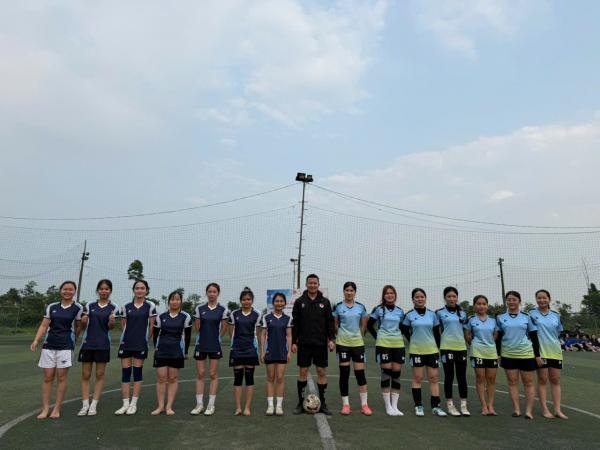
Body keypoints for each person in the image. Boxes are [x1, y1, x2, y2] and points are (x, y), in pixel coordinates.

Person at [30, 281, 83, 419]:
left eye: (71, 290)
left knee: (61, 377)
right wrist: (36, 340)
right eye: (65, 289)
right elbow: (44, 325)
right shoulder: (52, 307)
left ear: (74, 292)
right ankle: (45, 409)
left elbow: (78, 327)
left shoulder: (78, 307)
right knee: (48, 377)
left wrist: (73, 340)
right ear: (60, 290)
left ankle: (57, 408)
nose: (67, 292)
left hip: (65, 347)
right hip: (49, 346)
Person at [291, 274, 336, 415]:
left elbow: (330, 323)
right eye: (310, 283)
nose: (312, 285)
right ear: (306, 284)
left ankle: (323, 403)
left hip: (320, 344)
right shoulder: (299, 302)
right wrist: (293, 342)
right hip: (304, 344)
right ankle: (300, 403)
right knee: (303, 372)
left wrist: (331, 339)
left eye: (315, 283)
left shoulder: (325, 302)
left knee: (321, 372)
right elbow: (295, 324)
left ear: (318, 284)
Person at [401, 288, 446, 417]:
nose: (420, 299)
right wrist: (412, 340)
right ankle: (418, 406)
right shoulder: (409, 315)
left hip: (432, 351)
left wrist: (438, 349)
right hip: (417, 351)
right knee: (417, 378)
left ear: (425, 298)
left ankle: (436, 407)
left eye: (422, 297)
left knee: (434, 378)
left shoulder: (432, 314)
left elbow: (437, 333)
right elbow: (404, 329)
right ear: (413, 299)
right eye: (417, 297)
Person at [77, 279, 119, 416]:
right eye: (101, 289)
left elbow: (110, 328)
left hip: (103, 344)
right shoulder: (89, 305)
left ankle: (93, 405)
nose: (104, 291)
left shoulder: (114, 307)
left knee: (100, 374)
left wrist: (112, 322)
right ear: (97, 290)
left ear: (110, 291)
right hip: (88, 343)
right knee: (85, 374)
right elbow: (83, 326)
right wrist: (83, 321)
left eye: (106, 289)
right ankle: (85, 405)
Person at [115, 280, 157, 415]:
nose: (139, 290)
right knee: (126, 373)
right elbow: (123, 325)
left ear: (146, 290)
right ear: (134, 290)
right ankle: (125, 404)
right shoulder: (126, 306)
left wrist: (145, 340)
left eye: (142, 288)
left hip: (140, 344)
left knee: (137, 372)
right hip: (126, 343)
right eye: (137, 288)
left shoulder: (150, 306)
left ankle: (133, 404)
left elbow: (152, 326)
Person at [496, 290, 540, 420]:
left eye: (514, 299)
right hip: (508, 354)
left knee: (529, 383)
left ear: (519, 301)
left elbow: (534, 337)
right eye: (509, 300)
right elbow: (498, 338)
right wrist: (498, 354)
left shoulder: (527, 317)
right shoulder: (500, 317)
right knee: (512, 382)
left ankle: (529, 411)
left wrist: (537, 355)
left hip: (526, 354)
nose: (511, 302)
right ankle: (516, 409)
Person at [333, 281, 371, 415]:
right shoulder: (338, 306)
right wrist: (339, 335)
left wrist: (359, 335)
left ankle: (364, 405)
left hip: (357, 344)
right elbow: (335, 323)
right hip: (343, 343)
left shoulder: (360, 307)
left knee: (360, 374)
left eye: (351, 290)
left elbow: (364, 323)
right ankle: (346, 405)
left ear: (355, 292)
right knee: (344, 374)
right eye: (347, 290)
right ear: (344, 291)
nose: (349, 292)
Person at [151, 290, 192, 416]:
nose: (175, 302)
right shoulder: (161, 316)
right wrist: (156, 348)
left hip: (176, 351)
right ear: (169, 301)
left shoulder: (186, 317)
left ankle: (169, 406)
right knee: (161, 378)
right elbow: (155, 335)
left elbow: (188, 337)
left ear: (181, 301)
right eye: (173, 299)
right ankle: (160, 406)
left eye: (177, 299)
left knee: (173, 378)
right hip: (162, 351)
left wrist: (185, 352)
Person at [367, 285, 405, 416]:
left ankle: (395, 406)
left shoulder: (400, 311)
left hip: (398, 344)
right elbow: (369, 325)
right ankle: (388, 406)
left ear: (395, 295)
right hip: (383, 344)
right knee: (386, 374)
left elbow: (402, 327)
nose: (390, 295)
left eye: (392, 293)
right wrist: (377, 337)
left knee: (396, 374)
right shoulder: (378, 309)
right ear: (384, 295)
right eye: (387, 293)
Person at [190, 282, 228, 416]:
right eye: (209, 292)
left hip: (215, 345)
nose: (212, 294)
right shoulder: (200, 308)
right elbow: (197, 326)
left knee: (212, 374)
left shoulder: (222, 309)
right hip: (201, 344)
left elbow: (224, 327)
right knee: (200, 374)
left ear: (218, 293)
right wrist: (204, 337)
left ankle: (211, 405)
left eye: (214, 292)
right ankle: (199, 404)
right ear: (206, 293)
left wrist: (217, 338)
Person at [530, 289, 568, 419]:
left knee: (555, 380)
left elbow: (558, 332)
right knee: (542, 380)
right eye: (539, 298)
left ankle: (558, 410)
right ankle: (545, 409)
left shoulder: (556, 315)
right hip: (541, 352)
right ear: (536, 299)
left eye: (544, 297)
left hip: (555, 352)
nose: (542, 300)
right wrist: (536, 353)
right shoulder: (531, 313)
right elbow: (531, 333)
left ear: (549, 299)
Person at [436, 286, 469, 416]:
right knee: (449, 377)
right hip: (446, 348)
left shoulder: (463, 313)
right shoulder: (439, 313)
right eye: (449, 296)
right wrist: (438, 346)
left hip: (461, 348)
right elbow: (436, 331)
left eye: (454, 296)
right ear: (445, 298)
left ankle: (463, 406)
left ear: (457, 297)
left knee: (462, 377)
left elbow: (466, 330)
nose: (451, 299)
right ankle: (450, 405)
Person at [229, 287, 261, 416]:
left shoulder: (257, 314)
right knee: (237, 379)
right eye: (244, 299)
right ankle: (238, 407)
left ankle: (247, 407)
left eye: (248, 299)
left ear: (252, 300)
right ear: (240, 301)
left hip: (250, 349)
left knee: (249, 379)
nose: (246, 301)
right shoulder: (234, 314)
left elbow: (257, 333)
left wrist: (254, 345)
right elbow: (231, 331)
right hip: (237, 349)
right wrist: (235, 344)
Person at [464, 294, 499, 416]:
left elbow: (496, 335)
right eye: (478, 304)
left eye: (484, 304)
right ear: (474, 306)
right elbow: (467, 335)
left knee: (491, 379)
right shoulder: (471, 320)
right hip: (477, 352)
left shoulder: (493, 320)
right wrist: (474, 343)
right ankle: (484, 406)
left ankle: (491, 406)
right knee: (480, 378)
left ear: (487, 306)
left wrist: (489, 343)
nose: (481, 306)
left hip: (491, 352)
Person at [260, 292, 293, 416]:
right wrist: (262, 351)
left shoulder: (288, 318)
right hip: (270, 351)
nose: (279, 303)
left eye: (281, 301)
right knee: (270, 378)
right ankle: (270, 405)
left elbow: (289, 336)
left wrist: (289, 352)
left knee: (280, 378)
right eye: (277, 301)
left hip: (282, 351)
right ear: (273, 303)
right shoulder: (266, 317)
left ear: (285, 303)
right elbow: (263, 335)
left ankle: (278, 406)